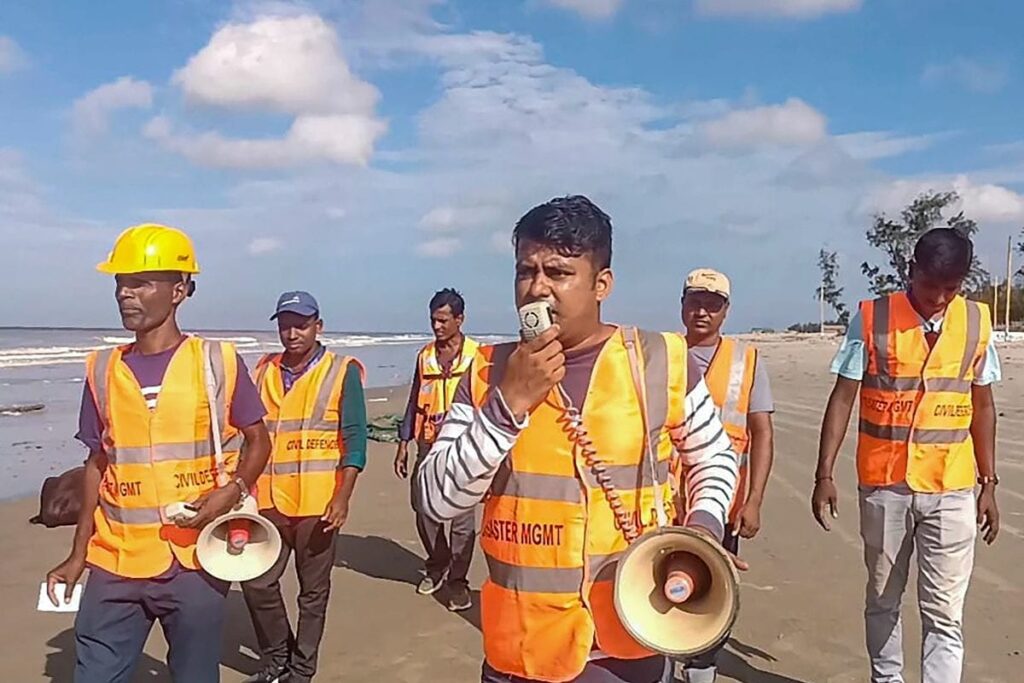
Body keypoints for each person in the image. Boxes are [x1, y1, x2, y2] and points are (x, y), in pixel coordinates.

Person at [414, 195, 746, 683]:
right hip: (520, 648)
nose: (538, 289)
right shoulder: (486, 371)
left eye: (559, 272)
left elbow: (714, 457)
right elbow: (436, 499)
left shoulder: (661, 360)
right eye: (526, 272)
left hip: (629, 637)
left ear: (601, 284)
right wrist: (508, 406)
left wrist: (702, 527)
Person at [45, 223, 272, 683]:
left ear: (180, 290)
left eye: (140, 282)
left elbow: (258, 440)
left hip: (192, 561)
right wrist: (78, 554)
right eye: (120, 283)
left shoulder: (217, 361)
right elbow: (97, 463)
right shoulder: (102, 368)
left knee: (193, 675)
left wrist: (233, 491)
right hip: (115, 561)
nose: (125, 294)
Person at [812, 227, 1001, 683]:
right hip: (885, 486)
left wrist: (989, 483)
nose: (939, 298)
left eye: (951, 289)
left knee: (944, 610)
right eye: (930, 285)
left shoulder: (976, 321)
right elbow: (843, 398)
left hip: (952, 488)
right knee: (882, 598)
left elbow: (984, 404)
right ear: (911, 270)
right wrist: (824, 474)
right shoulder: (873, 318)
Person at [242, 291, 368, 683]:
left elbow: (355, 437)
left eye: (301, 324)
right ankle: (277, 655)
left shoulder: (340, 370)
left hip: (318, 503)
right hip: (269, 500)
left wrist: (343, 497)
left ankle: (302, 669)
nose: (292, 332)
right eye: (285, 324)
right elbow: (246, 433)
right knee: (257, 581)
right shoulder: (263, 370)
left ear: (318, 326)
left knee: (312, 594)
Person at [674, 268, 775, 683]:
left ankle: (701, 673)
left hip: (721, 507)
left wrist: (753, 500)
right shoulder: (661, 356)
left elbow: (762, 432)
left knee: (709, 595)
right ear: (682, 305)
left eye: (713, 305)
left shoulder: (746, 361)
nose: (702, 312)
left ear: (726, 311)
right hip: (664, 503)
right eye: (695, 302)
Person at [394, 288, 479, 611]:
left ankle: (458, 582)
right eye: (433, 320)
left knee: (461, 520)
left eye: (444, 320)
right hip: (428, 444)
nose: (437, 326)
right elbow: (414, 400)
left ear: (460, 319)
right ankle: (437, 563)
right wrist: (403, 443)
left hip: (465, 446)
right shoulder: (424, 356)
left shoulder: (477, 356)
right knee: (424, 508)